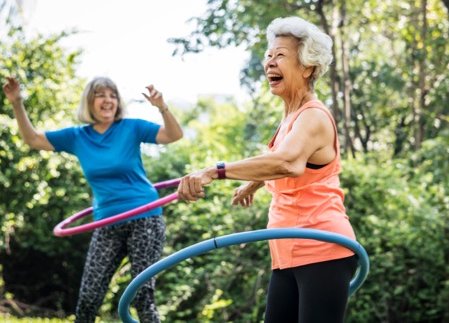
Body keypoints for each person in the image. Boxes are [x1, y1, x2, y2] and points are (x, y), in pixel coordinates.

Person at [177, 16, 358, 323]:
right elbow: (278, 160)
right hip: (286, 252)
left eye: (281, 56)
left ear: (308, 67)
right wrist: (253, 184)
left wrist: (214, 171)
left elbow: (287, 162)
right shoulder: (291, 118)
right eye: (269, 56)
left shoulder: (313, 116)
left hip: (322, 248)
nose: (270, 63)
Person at [2, 76, 183, 323]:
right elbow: (33, 139)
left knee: (143, 296)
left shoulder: (131, 127)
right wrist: (16, 103)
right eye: (101, 95)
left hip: (145, 218)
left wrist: (162, 107)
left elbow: (173, 135)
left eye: (112, 95)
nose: (108, 100)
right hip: (106, 222)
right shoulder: (78, 137)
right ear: (90, 101)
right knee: (88, 298)